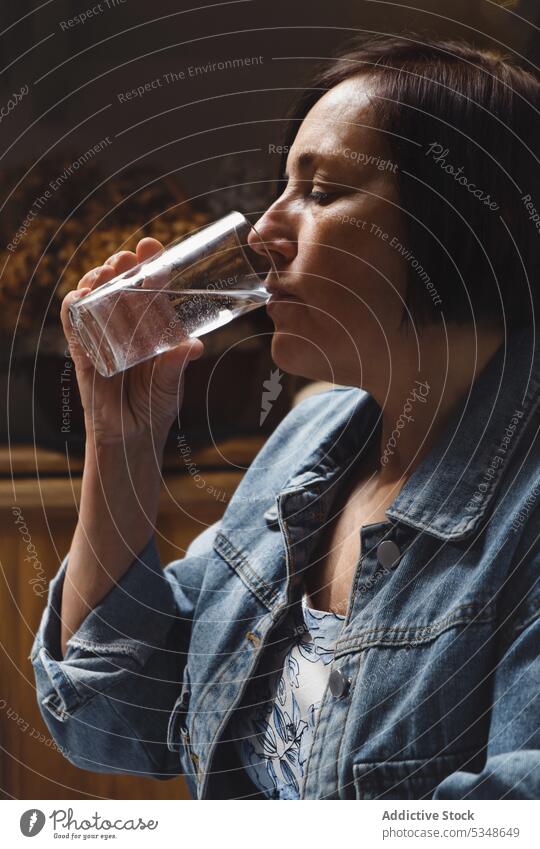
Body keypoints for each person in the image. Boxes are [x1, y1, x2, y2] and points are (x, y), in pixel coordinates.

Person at [32, 35, 540, 799]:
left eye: (322, 191)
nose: (264, 232)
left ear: (459, 220)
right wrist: (123, 444)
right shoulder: (316, 436)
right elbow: (113, 715)